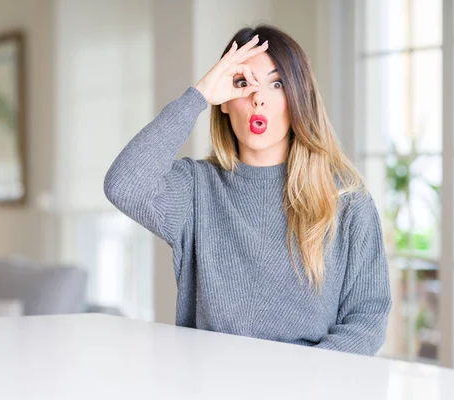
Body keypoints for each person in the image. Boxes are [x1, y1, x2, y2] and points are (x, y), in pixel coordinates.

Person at [104, 24, 392, 356]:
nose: (257, 98)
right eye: (242, 83)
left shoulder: (347, 200)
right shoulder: (196, 189)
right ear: (224, 102)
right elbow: (123, 184)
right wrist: (199, 96)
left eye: (277, 83)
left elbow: (367, 319)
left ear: (298, 97)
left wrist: (303, 381)